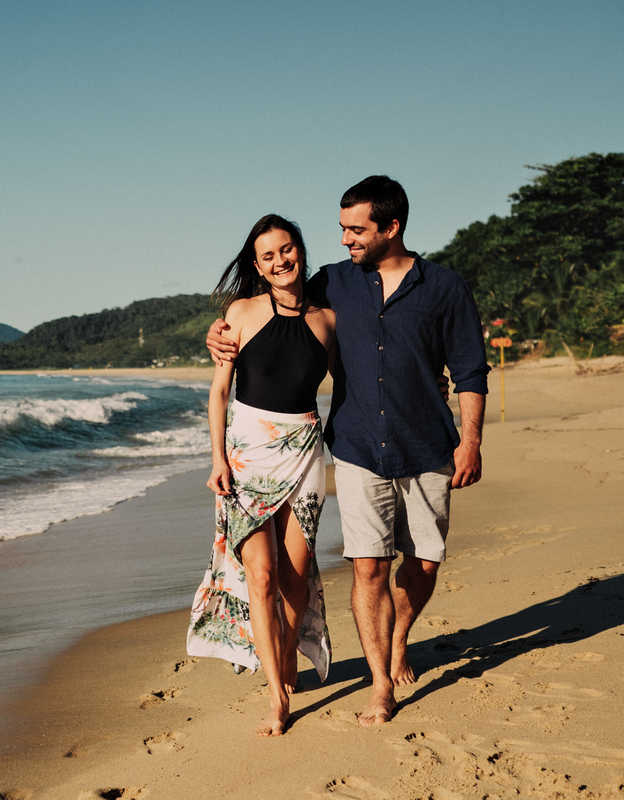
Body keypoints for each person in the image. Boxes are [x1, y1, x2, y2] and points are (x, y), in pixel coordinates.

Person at [204, 176, 489, 727]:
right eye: (340, 229)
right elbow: (270, 310)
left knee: (425, 563)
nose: (346, 240)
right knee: (367, 568)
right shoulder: (335, 282)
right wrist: (218, 334)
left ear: (392, 227)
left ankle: (398, 634)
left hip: (427, 442)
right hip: (356, 444)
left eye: (356, 230)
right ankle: (379, 685)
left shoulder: (444, 288)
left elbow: (471, 369)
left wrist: (471, 440)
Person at [186, 214, 336, 737]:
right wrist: (218, 459)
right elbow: (219, 392)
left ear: (300, 251)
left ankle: (289, 656)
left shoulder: (327, 321)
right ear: (257, 264)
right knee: (263, 576)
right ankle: (276, 695)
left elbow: (351, 385)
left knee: (296, 579)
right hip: (248, 454)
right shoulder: (241, 312)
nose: (280, 261)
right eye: (268, 255)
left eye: (287, 249)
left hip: (305, 453)